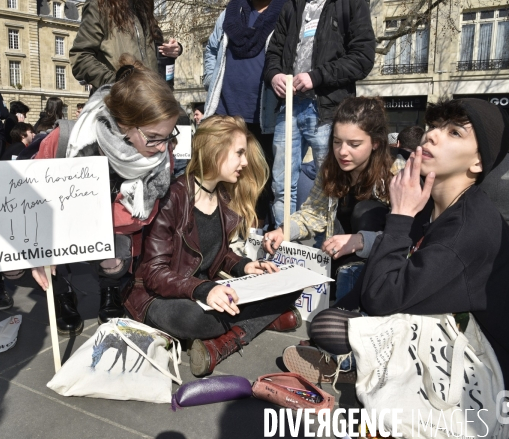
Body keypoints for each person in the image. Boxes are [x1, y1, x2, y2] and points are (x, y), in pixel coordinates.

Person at [284, 98, 509, 402]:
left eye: (454, 133)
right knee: (332, 321)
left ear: (477, 162)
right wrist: (343, 308)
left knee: (331, 328)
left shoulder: (467, 229)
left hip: (485, 368)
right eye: (435, 125)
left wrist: (400, 215)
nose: (433, 135)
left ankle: (360, 364)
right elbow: (379, 274)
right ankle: (360, 361)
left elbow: (382, 297)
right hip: (443, 327)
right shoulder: (435, 204)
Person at [123, 115, 302, 377]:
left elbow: (216, 253)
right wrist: (203, 289)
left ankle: (223, 343)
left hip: (203, 290)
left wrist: (244, 266)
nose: (245, 161)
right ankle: (261, 321)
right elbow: (153, 272)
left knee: (289, 286)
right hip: (159, 297)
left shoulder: (222, 196)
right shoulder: (173, 197)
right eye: (239, 153)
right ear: (215, 150)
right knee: (201, 319)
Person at [29, 56, 180, 336]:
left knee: (115, 260)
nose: (162, 148)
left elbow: (139, 219)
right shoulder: (66, 138)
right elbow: (32, 196)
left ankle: (111, 290)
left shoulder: (161, 154)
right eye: (154, 137)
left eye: (169, 136)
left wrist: (91, 219)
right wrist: (38, 248)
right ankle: (62, 295)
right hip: (58, 222)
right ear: (124, 124)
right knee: (45, 257)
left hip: (110, 226)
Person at [263, 97, 402, 300]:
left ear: (375, 143)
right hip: (336, 262)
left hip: (382, 269)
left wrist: (362, 240)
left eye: (354, 144)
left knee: (365, 211)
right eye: (337, 142)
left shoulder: (396, 173)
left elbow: (406, 235)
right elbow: (314, 213)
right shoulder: (330, 169)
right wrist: (284, 231)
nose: (342, 152)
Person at [264, 0, 376, 227]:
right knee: (281, 184)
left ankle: (324, 250)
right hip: (289, 107)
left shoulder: (350, 4)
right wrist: (274, 74)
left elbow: (363, 58)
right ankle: (283, 242)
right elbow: (274, 51)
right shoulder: (292, 6)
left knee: (332, 184)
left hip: (327, 109)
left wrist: (316, 76)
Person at [203, 0, 286, 227]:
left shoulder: (286, 11)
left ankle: (256, 236)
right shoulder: (230, 13)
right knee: (221, 178)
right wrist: (211, 81)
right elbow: (210, 49)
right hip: (225, 113)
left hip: (264, 116)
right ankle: (222, 234)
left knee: (260, 182)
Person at [69, 0, 182, 89]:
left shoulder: (143, 9)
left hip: (149, 101)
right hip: (117, 104)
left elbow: (158, 47)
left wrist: (175, 49)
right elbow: (81, 57)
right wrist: (117, 83)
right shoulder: (99, 5)